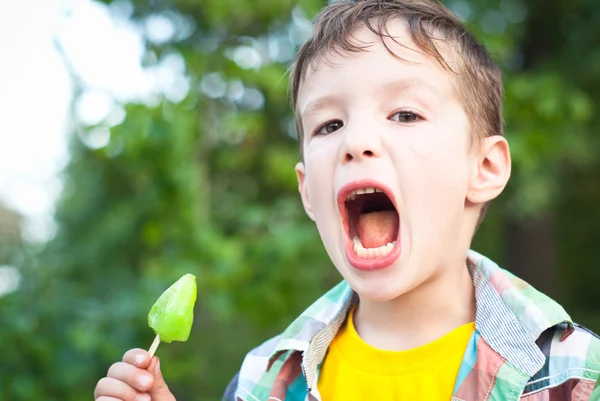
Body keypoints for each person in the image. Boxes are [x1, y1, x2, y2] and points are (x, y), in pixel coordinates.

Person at [93, 0, 600, 400]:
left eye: (404, 114)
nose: (356, 141)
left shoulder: (575, 376)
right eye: (329, 124)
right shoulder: (262, 383)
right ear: (307, 191)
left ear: (484, 168)